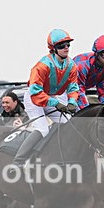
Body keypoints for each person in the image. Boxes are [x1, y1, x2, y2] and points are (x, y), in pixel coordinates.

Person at [13, 29, 79, 166]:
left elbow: (73, 88)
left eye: (68, 44)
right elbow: (35, 91)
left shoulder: (72, 66)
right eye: (62, 45)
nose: (66, 48)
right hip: (34, 99)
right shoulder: (42, 66)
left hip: (52, 97)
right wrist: (56, 103)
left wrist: (72, 102)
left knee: (69, 125)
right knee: (43, 129)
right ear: (53, 48)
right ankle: (18, 161)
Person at [73, 35, 104, 110]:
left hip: (80, 90)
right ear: (96, 53)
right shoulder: (82, 65)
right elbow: (78, 90)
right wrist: (86, 111)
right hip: (64, 91)